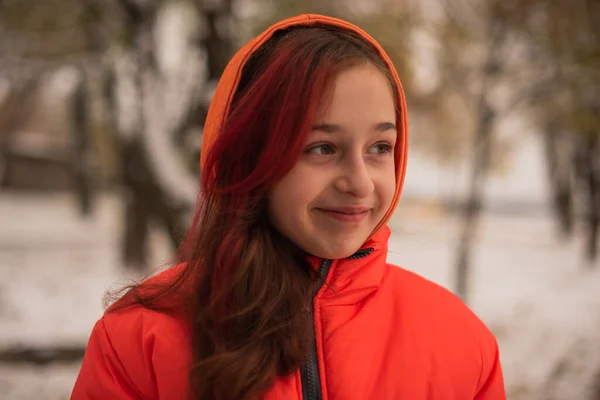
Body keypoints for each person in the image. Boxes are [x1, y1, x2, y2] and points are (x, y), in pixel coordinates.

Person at [71, 14, 506, 400]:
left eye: (379, 147)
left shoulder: (459, 341)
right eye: (321, 147)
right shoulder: (141, 339)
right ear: (250, 156)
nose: (358, 183)